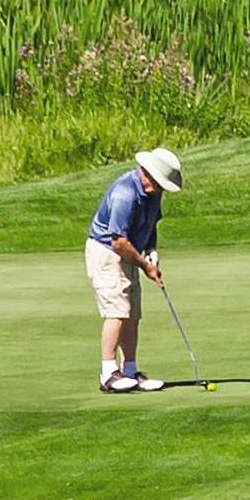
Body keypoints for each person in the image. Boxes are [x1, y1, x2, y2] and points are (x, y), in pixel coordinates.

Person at [87, 146, 185, 393]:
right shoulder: (125, 193)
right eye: (159, 182)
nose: (160, 188)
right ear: (146, 173)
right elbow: (117, 241)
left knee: (132, 313)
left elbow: (150, 224)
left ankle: (130, 370)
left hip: (129, 251)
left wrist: (151, 250)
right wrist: (145, 267)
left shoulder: (154, 192)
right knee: (117, 311)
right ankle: (108, 373)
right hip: (107, 253)